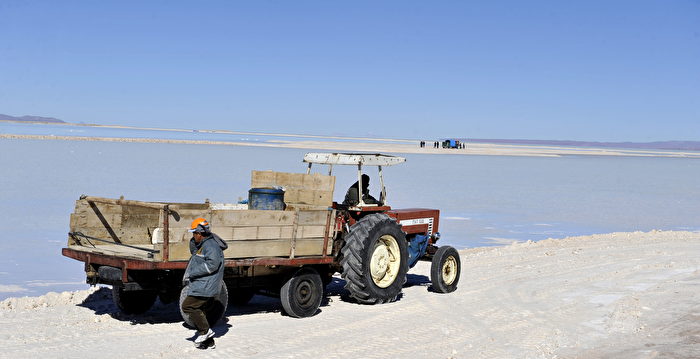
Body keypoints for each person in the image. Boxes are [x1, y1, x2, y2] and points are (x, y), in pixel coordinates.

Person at [181, 217, 228, 347]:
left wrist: (193, 271)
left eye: (194, 233)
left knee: (188, 306)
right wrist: (193, 241)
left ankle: (205, 331)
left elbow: (212, 265)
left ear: (200, 233)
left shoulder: (211, 246)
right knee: (201, 311)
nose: (193, 235)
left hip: (206, 285)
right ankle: (209, 342)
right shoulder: (202, 244)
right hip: (202, 283)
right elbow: (195, 252)